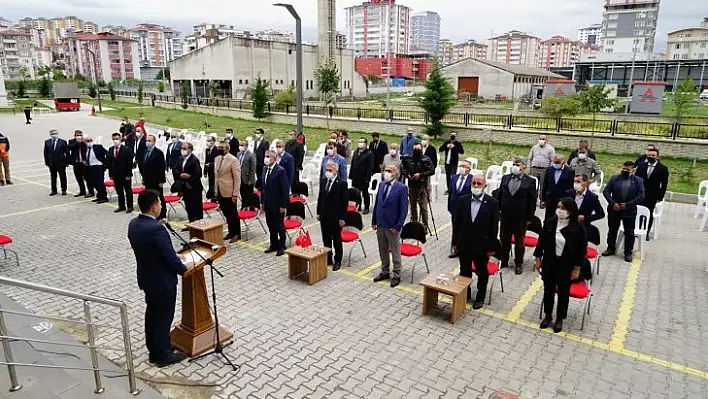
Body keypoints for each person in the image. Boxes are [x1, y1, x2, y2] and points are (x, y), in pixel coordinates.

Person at [127, 189, 188, 367]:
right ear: (154, 207)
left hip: (147, 278)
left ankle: (154, 350)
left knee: (152, 314)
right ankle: (164, 356)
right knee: (163, 317)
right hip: (162, 282)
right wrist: (183, 269)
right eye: (160, 204)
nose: (161, 206)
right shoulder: (156, 229)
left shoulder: (134, 224)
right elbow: (169, 257)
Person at [535, 198, 588, 333]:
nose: (560, 210)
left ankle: (560, 318)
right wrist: (537, 258)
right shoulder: (550, 222)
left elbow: (582, 249)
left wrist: (577, 268)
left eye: (563, 208)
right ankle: (548, 315)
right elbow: (541, 241)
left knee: (563, 292)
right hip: (550, 262)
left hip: (566, 264)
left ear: (570, 211)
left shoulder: (578, 227)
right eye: (558, 207)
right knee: (548, 290)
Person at [453, 174, 500, 309]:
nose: (476, 186)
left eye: (479, 184)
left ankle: (480, 297)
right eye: (474, 183)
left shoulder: (492, 203)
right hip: (465, 244)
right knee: (464, 270)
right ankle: (465, 293)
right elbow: (457, 223)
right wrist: (455, 242)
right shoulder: (463, 200)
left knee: (481, 272)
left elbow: (494, 227)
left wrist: (491, 247)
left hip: (482, 246)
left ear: (485, 186)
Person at [494, 157, 538, 275]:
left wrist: (529, 218)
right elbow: (500, 195)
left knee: (519, 243)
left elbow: (532, 201)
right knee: (504, 239)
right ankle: (504, 260)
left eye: (518, 164)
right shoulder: (505, 178)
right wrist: (497, 211)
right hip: (505, 215)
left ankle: (518, 263)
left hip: (521, 218)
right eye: (514, 164)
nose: (515, 166)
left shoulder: (529, 181)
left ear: (524, 166)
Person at [372, 164, 409, 288]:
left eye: (389, 171)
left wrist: (398, 226)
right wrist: (374, 220)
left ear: (395, 173)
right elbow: (377, 203)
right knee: (382, 249)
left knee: (395, 250)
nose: (386, 173)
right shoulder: (382, 184)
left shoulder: (402, 188)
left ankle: (397, 274)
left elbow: (403, 210)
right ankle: (385, 271)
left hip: (393, 225)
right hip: (381, 223)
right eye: (385, 170)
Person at [602, 161, 646, 263]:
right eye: (624, 169)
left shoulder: (638, 181)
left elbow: (641, 196)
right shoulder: (614, 178)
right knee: (612, 230)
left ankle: (628, 252)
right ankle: (610, 248)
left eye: (628, 169)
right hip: (614, 209)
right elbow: (606, 191)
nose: (625, 171)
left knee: (629, 232)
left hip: (629, 210)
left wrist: (628, 204)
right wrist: (613, 203)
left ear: (633, 170)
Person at [317, 162, 349, 271]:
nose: (328, 172)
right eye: (327, 169)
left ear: (336, 171)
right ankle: (328, 258)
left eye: (330, 170)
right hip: (324, 216)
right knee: (326, 239)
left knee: (336, 240)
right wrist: (318, 212)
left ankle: (338, 260)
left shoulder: (342, 184)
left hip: (336, 217)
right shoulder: (323, 181)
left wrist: (342, 218)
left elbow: (344, 203)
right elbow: (320, 198)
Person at [635, 147, 669, 239]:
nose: (651, 157)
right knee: (638, 212)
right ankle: (637, 229)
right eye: (649, 155)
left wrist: (660, 196)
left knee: (648, 213)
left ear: (657, 157)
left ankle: (646, 232)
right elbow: (636, 179)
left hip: (652, 195)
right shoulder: (642, 166)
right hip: (640, 194)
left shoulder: (662, 168)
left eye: (653, 155)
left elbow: (664, 184)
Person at [261, 150, 290, 256]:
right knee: (270, 225)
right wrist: (262, 202)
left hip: (278, 205)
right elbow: (263, 187)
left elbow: (285, 189)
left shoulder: (280, 170)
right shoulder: (264, 169)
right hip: (267, 203)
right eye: (265, 156)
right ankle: (273, 244)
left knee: (279, 226)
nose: (266, 158)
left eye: (268, 156)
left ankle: (281, 246)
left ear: (274, 158)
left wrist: (283, 205)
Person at [403, 143, 435, 232]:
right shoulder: (409, 158)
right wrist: (408, 175)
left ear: (421, 150)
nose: (416, 151)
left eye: (418, 149)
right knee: (413, 205)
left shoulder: (426, 158)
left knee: (423, 206)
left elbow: (432, 171)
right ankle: (414, 223)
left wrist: (420, 175)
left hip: (422, 186)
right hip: (412, 185)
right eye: (415, 149)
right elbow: (404, 169)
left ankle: (425, 226)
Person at [214, 141, 242, 242]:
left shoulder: (233, 160)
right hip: (220, 190)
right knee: (226, 213)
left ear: (227, 149)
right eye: (219, 147)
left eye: (222, 147)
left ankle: (237, 233)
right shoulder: (217, 159)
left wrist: (235, 194)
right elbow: (216, 176)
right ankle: (231, 232)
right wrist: (215, 191)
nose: (219, 149)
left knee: (233, 213)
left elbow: (237, 178)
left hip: (229, 191)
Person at [448, 160, 472, 258]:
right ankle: (455, 248)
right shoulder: (454, 178)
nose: (462, 167)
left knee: (465, 229)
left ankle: (465, 248)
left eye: (464, 166)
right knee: (455, 228)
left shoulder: (472, 179)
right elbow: (451, 192)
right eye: (461, 165)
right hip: (454, 208)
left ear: (469, 169)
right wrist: (449, 206)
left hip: (466, 209)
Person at [140, 134, 167, 219]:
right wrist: (144, 178)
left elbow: (161, 167)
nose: (147, 143)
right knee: (150, 198)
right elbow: (144, 166)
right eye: (146, 141)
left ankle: (162, 215)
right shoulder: (145, 152)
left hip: (156, 181)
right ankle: (152, 213)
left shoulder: (158, 153)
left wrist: (161, 181)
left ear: (154, 142)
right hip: (148, 180)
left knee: (159, 198)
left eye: (149, 141)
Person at [541, 155, 575, 221]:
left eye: (558, 162)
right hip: (550, 198)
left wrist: (570, 201)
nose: (556, 164)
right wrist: (543, 199)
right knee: (548, 218)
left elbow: (571, 187)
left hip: (563, 199)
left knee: (560, 218)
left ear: (563, 162)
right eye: (555, 162)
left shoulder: (569, 171)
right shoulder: (549, 170)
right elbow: (545, 184)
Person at [107, 132, 134, 212]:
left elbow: (129, 163)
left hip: (125, 174)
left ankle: (130, 206)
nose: (115, 140)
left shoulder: (126, 149)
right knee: (119, 191)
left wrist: (128, 175)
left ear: (120, 139)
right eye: (114, 139)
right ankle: (121, 206)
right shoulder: (111, 149)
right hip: (116, 175)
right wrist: (110, 174)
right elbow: (110, 163)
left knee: (128, 191)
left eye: (117, 139)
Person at [177, 143, 203, 224]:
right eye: (182, 148)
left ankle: (199, 223)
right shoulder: (181, 158)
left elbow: (198, 174)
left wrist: (189, 182)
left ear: (190, 150)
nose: (183, 150)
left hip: (194, 187)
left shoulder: (194, 160)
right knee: (188, 205)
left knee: (196, 206)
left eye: (185, 148)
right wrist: (180, 175)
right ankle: (191, 222)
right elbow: (176, 169)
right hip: (184, 186)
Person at [350, 138, 374, 214]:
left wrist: (368, 178)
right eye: (359, 141)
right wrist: (351, 175)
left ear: (366, 144)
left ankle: (366, 207)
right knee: (356, 193)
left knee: (365, 193)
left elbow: (370, 167)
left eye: (362, 142)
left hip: (364, 177)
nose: (360, 143)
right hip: (355, 176)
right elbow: (352, 163)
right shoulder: (355, 152)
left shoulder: (369, 153)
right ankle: (358, 205)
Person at [43, 129, 70, 196]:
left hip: (61, 162)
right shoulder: (47, 142)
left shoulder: (63, 142)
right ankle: (53, 190)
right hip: (52, 163)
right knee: (53, 177)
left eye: (55, 133)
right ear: (50, 135)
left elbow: (67, 152)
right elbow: (45, 153)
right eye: (52, 134)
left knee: (63, 176)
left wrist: (67, 161)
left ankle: (64, 190)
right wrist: (47, 162)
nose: (54, 135)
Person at [83, 136, 108, 204]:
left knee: (99, 182)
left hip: (98, 166)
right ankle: (99, 196)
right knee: (93, 182)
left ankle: (104, 197)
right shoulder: (85, 149)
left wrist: (105, 163)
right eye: (87, 141)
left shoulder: (98, 147)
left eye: (90, 140)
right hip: (90, 167)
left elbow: (107, 153)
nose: (89, 142)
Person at [68, 130, 89, 197]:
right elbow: (69, 147)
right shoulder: (72, 141)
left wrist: (83, 142)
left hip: (83, 163)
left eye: (80, 135)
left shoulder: (84, 141)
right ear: (75, 136)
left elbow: (88, 148)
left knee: (87, 178)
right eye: (77, 135)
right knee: (78, 178)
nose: (79, 137)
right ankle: (82, 191)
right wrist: (77, 142)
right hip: (76, 163)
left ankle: (90, 191)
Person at [203, 135, 218, 200]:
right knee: (210, 183)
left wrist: (211, 164)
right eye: (207, 140)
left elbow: (218, 161)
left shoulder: (217, 150)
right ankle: (212, 197)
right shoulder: (207, 150)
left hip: (215, 171)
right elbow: (206, 160)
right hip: (209, 171)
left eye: (209, 141)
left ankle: (215, 198)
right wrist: (205, 171)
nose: (208, 142)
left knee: (215, 185)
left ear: (214, 142)